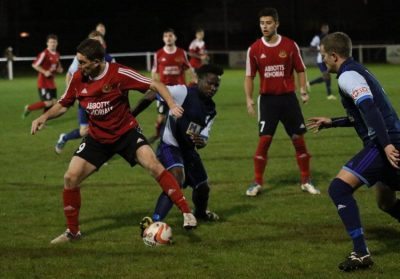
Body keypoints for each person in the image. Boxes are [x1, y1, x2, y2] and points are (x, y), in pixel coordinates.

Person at [30, 38, 197, 244]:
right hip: (98, 138)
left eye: (83, 62)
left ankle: (186, 212)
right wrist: (43, 117)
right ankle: (73, 232)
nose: (79, 66)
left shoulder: (118, 73)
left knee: (153, 164)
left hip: (126, 133)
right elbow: (64, 104)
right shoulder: (78, 78)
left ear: (97, 61)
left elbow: (154, 84)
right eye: (78, 62)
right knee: (70, 178)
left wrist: (171, 104)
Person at [307, 32, 400, 271]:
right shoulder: (358, 70)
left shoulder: (347, 76)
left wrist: (386, 143)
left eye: (323, 56)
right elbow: (363, 113)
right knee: (385, 200)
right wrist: (333, 122)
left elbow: (369, 108)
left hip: (383, 144)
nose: (323, 61)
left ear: (334, 55)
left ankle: (360, 252)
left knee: (338, 188)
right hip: (390, 139)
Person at [132, 64, 223, 231]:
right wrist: (132, 115)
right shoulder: (184, 92)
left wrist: (201, 141)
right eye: (209, 83)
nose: (213, 88)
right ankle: (153, 223)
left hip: (189, 151)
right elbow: (153, 92)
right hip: (170, 146)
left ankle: (201, 213)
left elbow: (203, 138)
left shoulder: (211, 110)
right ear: (199, 80)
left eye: (216, 85)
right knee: (176, 179)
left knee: (203, 188)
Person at [244, 7, 320, 197]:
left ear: (276, 24)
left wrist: (303, 90)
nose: (265, 26)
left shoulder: (289, 45)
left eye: (269, 23)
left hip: (288, 100)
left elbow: (300, 69)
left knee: (298, 140)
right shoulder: (254, 49)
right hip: (268, 101)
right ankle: (257, 182)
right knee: (264, 141)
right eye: (262, 23)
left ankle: (306, 180)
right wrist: (248, 99)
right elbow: (249, 76)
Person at [55, 30, 114, 154]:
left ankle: (98, 154)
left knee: (101, 128)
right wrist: (71, 93)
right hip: (85, 99)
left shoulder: (109, 59)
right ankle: (64, 137)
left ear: (103, 44)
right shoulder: (80, 58)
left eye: (99, 41)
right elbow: (69, 74)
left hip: (102, 101)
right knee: (84, 131)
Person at [148, 28, 195, 143]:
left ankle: (189, 140)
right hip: (164, 91)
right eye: (166, 36)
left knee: (184, 117)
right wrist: (155, 86)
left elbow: (188, 69)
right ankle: (157, 135)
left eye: (170, 35)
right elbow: (154, 72)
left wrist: (193, 82)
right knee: (161, 118)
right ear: (163, 39)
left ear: (175, 38)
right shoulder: (158, 54)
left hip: (180, 91)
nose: (168, 38)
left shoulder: (181, 52)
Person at [22, 34, 63, 118]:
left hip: (52, 82)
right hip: (43, 82)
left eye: (54, 42)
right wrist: (44, 72)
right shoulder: (44, 53)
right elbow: (34, 65)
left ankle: (43, 120)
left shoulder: (57, 54)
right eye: (51, 42)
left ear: (57, 43)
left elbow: (57, 65)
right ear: (47, 43)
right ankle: (28, 108)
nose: (53, 44)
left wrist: (59, 69)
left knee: (54, 103)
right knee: (48, 102)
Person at [308, 23, 336, 100]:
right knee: (327, 76)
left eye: (327, 28)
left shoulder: (330, 37)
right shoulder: (318, 37)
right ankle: (329, 95)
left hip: (328, 59)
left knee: (327, 76)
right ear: (322, 29)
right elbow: (311, 48)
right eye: (324, 28)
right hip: (321, 60)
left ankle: (309, 83)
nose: (326, 30)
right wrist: (319, 49)